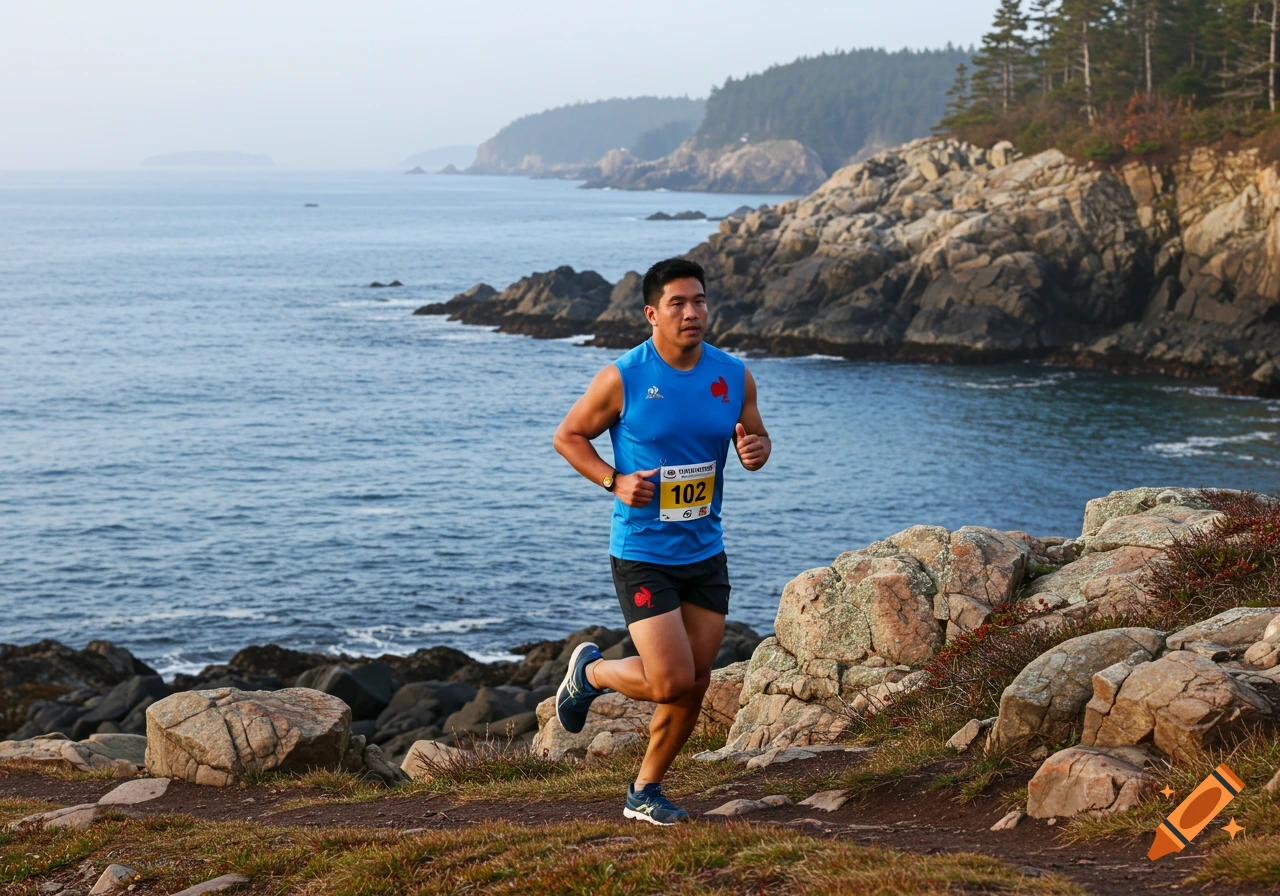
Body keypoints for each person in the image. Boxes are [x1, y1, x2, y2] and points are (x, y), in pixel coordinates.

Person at [552, 256, 771, 825]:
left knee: (692, 686)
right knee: (672, 678)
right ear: (652, 313)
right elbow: (568, 436)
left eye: (699, 301)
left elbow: (756, 437)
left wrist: (756, 452)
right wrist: (614, 480)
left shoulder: (733, 375)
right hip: (643, 553)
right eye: (677, 303)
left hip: (705, 551)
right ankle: (592, 673)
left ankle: (644, 791)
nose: (692, 312)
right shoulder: (623, 377)